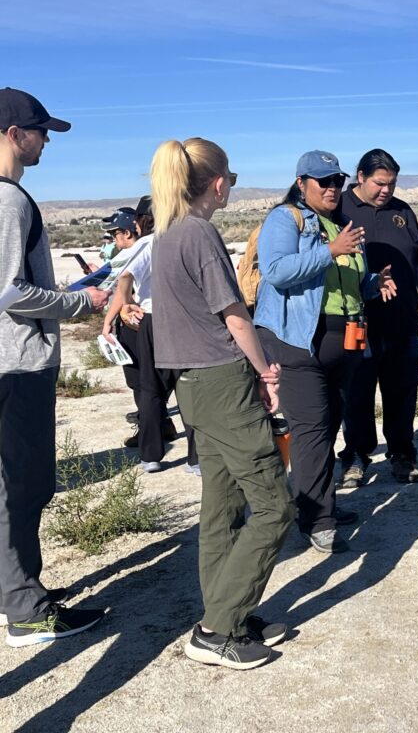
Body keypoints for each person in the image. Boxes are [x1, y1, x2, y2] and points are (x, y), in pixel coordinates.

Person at [149, 137, 292, 670]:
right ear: (216, 182)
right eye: (230, 176)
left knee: (223, 507)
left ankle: (228, 612)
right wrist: (265, 372)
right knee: (275, 506)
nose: (232, 184)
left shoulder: (165, 233)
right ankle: (217, 629)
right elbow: (233, 315)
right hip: (223, 383)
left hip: (192, 387)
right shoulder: (200, 233)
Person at [0, 87, 108, 646]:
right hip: (17, 366)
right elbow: (9, 293)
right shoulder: (10, 200)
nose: (46, 142)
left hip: (12, 364)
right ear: (15, 135)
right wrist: (78, 302)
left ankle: (17, 589)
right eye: (41, 131)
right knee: (24, 483)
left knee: (12, 483)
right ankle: (24, 609)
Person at [254, 150, 396, 554]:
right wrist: (330, 252)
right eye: (323, 181)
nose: (333, 188)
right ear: (302, 184)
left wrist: (372, 283)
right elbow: (277, 270)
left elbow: (344, 285)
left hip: (346, 342)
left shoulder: (338, 225)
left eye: (337, 181)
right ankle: (319, 521)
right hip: (301, 343)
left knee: (330, 423)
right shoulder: (286, 219)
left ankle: (318, 505)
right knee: (312, 433)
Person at [338, 149, 418, 486]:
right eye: (380, 183)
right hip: (358, 322)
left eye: (392, 184)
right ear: (360, 176)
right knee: (356, 393)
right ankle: (356, 455)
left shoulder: (403, 211)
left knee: (402, 391)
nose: (386, 190)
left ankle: (401, 454)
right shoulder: (338, 208)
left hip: (402, 322)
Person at [102, 196, 192, 473]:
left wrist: (123, 305)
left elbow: (126, 277)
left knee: (151, 389)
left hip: (152, 319)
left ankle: (151, 453)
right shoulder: (186, 237)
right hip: (185, 320)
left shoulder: (146, 243)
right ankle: (198, 457)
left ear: (140, 222)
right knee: (188, 389)